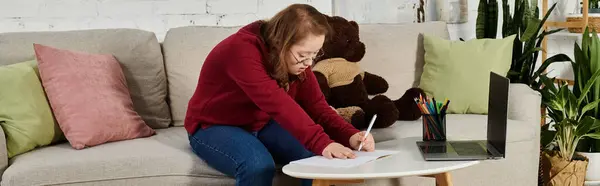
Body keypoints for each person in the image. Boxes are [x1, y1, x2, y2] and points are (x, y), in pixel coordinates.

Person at [184, 3, 375, 186]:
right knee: (258, 165)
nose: (309, 63)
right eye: (302, 55)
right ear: (281, 43)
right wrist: (322, 142)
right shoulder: (241, 51)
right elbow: (279, 105)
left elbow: (317, 106)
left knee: (316, 156)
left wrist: (350, 135)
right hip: (212, 126)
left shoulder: (298, 61)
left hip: (261, 123)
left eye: (314, 55)